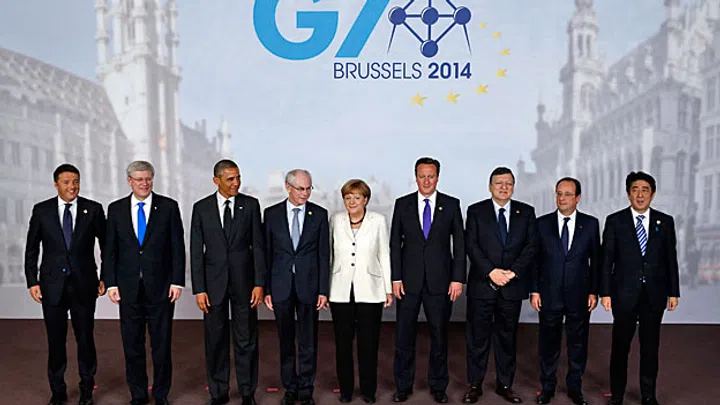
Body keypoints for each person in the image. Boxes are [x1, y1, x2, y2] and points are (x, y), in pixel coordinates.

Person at [103, 160, 185, 405]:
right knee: (132, 345)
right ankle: (138, 394)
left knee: (161, 345)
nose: (144, 183)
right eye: (139, 179)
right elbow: (110, 250)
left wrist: (177, 281)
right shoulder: (116, 209)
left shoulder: (168, 207)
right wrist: (111, 283)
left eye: (148, 178)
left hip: (161, 288)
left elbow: (177, 247)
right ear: (129, 181)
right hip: (128, 289)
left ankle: (161, 394)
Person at [24, 163, 106, 405]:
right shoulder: (42, 210)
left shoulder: (93, 209)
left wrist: (106, 278)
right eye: (67, 182)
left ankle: (87, 389)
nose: (73, 186)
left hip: (85, 284)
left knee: (85, 339)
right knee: (55, 341)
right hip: (52, 286)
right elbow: (31, 249)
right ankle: (57, 390)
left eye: (76, 182)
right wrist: (32, 281)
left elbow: (108, 246)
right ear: (56, 184)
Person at [190, 159, 266, 405]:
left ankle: (247, 392)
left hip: (245, 284)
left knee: (246, 340)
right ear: (216, 180)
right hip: (213, 287)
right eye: (230, 179)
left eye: (238, 177)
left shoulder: (251, 205)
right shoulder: (201, 208)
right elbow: (196, 251)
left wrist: (259, 283)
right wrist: (199, 289)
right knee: (215, 341)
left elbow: (258, 247)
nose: (236, 183)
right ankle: (218, 391)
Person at [390, 157, 465, 404]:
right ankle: (403, 386)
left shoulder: (451, 205)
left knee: (440, 337)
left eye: (431, 176)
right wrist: (396, 278)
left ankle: (438, 386)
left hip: (440, 283)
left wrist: (457, 279)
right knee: (404, 337)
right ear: (415, 177)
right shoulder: (402, 204)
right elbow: (395, 244)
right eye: (422, 176)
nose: (426, 181)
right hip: (408, 282)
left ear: (438, 177)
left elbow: (460, 245)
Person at [601, 171, 680, 405]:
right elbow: (607, 260)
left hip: (654, 295)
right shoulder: (615, 221)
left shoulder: (665, 222)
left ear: (652, 194)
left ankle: (648, 395)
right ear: (628, 194)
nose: (640, 194)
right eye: (635, 190)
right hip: (623, 294)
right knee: (620, 347)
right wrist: (605, 292)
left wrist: (673, 292)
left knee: (650, 348)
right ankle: (617, 395)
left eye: (645, 190)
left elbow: (670, 259)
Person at [463, 167, 537, 404]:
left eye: (508, 183)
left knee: (507, 338)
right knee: (478, 339)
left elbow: (531, 246)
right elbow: (471, 245)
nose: (503, 187)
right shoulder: (476, 211)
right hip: (482, 285)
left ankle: (505, 385)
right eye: (499, 183)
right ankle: (475, 385)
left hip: (512, 286)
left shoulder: (526, 212)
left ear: (513, 187)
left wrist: (512, 273)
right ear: (490, 186)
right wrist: (491, 272)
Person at [531, 177, 600, 405]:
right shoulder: (542, 224)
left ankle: (575, 387)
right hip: (548, 294)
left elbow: (596, 261)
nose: (562, 198)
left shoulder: (590, 224)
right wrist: (534, 290)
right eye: (559, 193)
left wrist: (593, 292)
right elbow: (535, 260)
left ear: (578, 198)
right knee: (548, 343)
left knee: (577, 343)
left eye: (568, 194)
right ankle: (547, 386)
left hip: (579, 295)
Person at [263, 169, 330, 405]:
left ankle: (306, 389)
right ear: (288, 187)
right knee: (286, 341)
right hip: (280, 286)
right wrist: (267, 289)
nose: (306, 193)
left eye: (309, 188)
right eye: (301, 188)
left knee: (308, 341)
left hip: (309, 287)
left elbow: (324, 254)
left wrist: (323, 290)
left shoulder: (319, 214)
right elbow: (266, 253)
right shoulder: (271, 214)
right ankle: (290, 388)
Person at [328, 179, 393, 404]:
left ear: (365, 199)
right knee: (343, 345)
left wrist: (387, 289)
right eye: (348, 198)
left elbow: (384, 254)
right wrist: (324, 289)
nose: (352, 202)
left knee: (368, 344)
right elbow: (329, 255)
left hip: (370, 290)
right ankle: (345, 391)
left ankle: (368, 391)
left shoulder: (378, 221)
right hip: (340, 290)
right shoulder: (335, 220)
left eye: (357, 197)